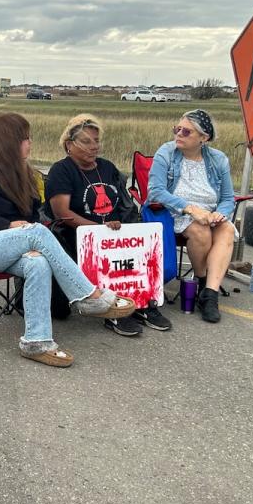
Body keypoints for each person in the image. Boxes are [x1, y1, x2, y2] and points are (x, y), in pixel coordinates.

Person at [0, 112, 136, 367]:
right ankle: (89, 296)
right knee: (35, 231)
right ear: (8, 142)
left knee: (37, 262)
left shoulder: (25, 175)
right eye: (25, 139)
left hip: (7, 250)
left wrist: (24, 231)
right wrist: (8, 225)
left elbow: (29, 217)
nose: (30, 143)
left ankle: (37, 342)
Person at [45, 113, 171, 337]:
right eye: (86, 141)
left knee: (138, 245)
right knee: (108, 251)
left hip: (114, 230)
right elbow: (62, 213)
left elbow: (124, 204)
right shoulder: (61, 171)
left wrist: (129, 229)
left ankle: (142, 303)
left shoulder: (107, 167)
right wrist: (99, 231)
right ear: (69, 145)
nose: (94, 146)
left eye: (96, 141)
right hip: (77, 233)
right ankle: (112, 311)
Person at [147, 109, 235, 324]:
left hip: (209, 213)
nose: (178, 134)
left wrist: (219, 215)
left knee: (227, 230)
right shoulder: (166, 153)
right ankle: (202, 279)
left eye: (186, 132)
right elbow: (156, 191)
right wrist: (190, 209)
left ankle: (209, 294)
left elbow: (228, 198)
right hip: (176, 212)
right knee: (200, 230)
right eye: (177, 129)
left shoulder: (218, 159)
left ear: (203, 138)